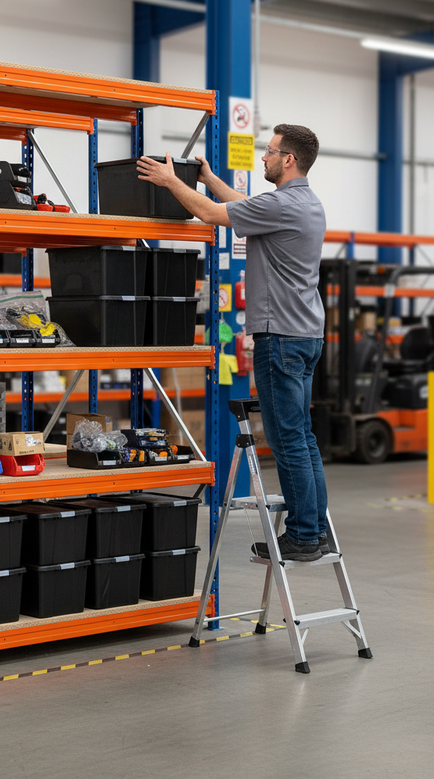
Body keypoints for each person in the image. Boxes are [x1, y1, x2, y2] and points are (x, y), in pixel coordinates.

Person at [137, 124, 328, 561]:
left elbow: (209, 215)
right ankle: (315, 530)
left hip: (280, 335)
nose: (264, 157)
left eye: (271, 151)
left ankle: (301, 536)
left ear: (289, 160)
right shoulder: (305, 202)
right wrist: (206, 177)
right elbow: (243, 206)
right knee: (303, 436)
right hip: (305, 334)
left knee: (287, 441)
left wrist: (170, 182)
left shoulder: (282, 204)